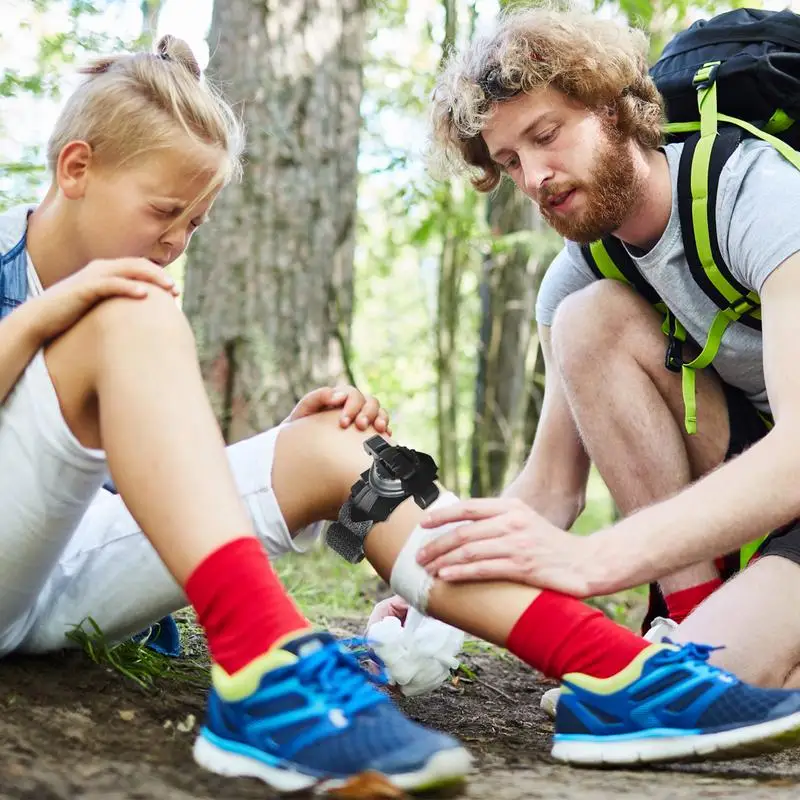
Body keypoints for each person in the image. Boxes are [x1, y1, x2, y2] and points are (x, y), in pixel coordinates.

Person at [3, 31, 800, 794]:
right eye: (163, 213)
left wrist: (370, 527)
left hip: (68, 577)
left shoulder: (748, 191)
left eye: (194, 224)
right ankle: (264, 669)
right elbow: (550, 485)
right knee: (133, 313)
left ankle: (623, 668)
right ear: (76, 168)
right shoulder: (71, 286)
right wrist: (42, 318)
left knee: (334, 440)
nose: (176, 243)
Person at [414, 3, 800, 705]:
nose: (535, 178)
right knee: (584, 320)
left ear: (613, 110)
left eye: (546, 135)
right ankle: (685, 625)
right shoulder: (582, 269)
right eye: (510, 161)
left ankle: (733, 648)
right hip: (749, 475)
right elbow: (552, 488)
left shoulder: (757, 197)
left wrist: (597, 560)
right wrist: (427, 600)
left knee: (727, 684)